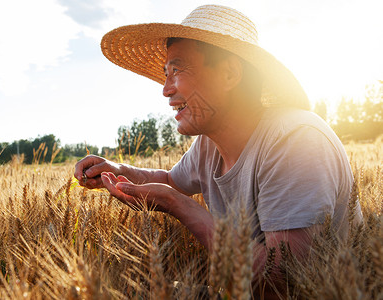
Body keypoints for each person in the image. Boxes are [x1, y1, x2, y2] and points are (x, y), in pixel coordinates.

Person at [74, 4, 361, 297]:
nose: (165, 89)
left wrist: (179, 207)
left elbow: (284, 283)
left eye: (177, 69)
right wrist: (121, 171)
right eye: (165, 73)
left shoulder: (295, 141)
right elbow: (172, 181)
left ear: (229, 73)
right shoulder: (209, 143)